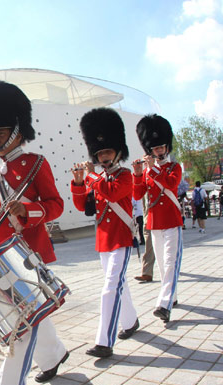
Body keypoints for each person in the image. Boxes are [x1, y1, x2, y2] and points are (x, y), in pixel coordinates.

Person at [0, 80, 69, 385]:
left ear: (17, 130)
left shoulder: (36, 163)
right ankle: (54, 355)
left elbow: (55, 205)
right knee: (29, 316)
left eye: (1, 133)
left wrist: (29, 211)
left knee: (19, 325)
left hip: (27, 254)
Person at [71, 108, 139, 358]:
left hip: (121, 238)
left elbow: (111, 194)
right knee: (118, 285)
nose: (103, 156)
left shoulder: (126, 175)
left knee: (110, 287)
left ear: (118, 152)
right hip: (103, 241)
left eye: (107, 151)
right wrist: (79, 183)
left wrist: (90, 176)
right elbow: (84, 207)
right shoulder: (96, 178)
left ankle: (104, 342)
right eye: (99, 153)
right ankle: (130, 322)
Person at [133, 114, 183, 324]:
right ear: (150, 150)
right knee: (163, 265)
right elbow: (137, 194)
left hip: (171, 221)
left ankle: (163, 304)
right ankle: (173, 296)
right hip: (154, 222)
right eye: (155, 149)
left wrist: (152, 168)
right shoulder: (146, 172)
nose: (159, 151)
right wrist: (137, 174)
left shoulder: (174, 167)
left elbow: (170, 185)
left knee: (171, 262)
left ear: (166, 148)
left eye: (162, 147)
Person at [134, 196, 155, 283]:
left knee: (168, 251)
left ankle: (172, 269)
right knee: (149, 246)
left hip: (164, 220)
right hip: (149, 221)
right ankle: (147, 273)